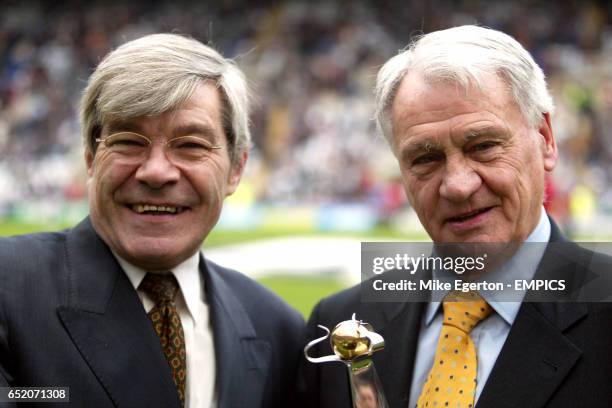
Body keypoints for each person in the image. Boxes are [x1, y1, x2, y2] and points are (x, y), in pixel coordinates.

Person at [299, 25, 612, 408]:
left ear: (545, 138)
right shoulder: (341, 320)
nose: (458, 185)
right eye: (425, 158)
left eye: (483, 146)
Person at [0, 33, 304, 408]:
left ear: (236, 170)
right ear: (91, 157)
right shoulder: (8, 289)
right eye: (129, 141)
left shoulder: (279, 329)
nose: (157, 172)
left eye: (191, 145)